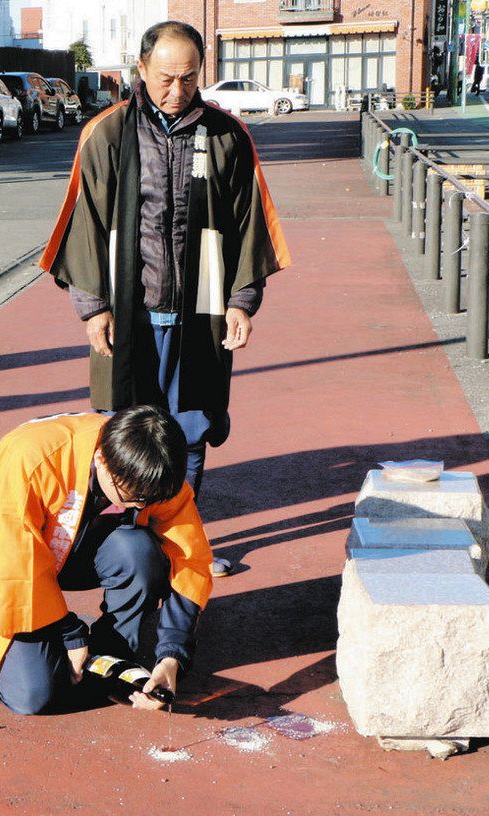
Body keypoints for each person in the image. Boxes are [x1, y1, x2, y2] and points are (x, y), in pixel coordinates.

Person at [39, 21, 290, 574]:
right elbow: (86, 223)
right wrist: (93, 308)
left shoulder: (227, 136)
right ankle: (128, 545)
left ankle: (181, 545)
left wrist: (243, 300)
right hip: (129, 314)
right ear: (141, 71)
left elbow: (249, 225)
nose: (177, 91)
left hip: (200, 314)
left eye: (189, 78)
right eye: (165, 79)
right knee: (124, 430)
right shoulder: (107, 133)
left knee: (191, 426)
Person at [0, 407, 214, 715]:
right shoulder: (31, 456)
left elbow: (191, 559)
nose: (141, 505)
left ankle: (111, 653)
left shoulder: (154, 471)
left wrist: (172, 656)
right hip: (1, 567)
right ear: (101, 458)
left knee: (139, 552)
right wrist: (68, 633)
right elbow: (12, 562)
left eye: (149, 500)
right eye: (130, 498)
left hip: (76, 546)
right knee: (34, 696)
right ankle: (63, 654)